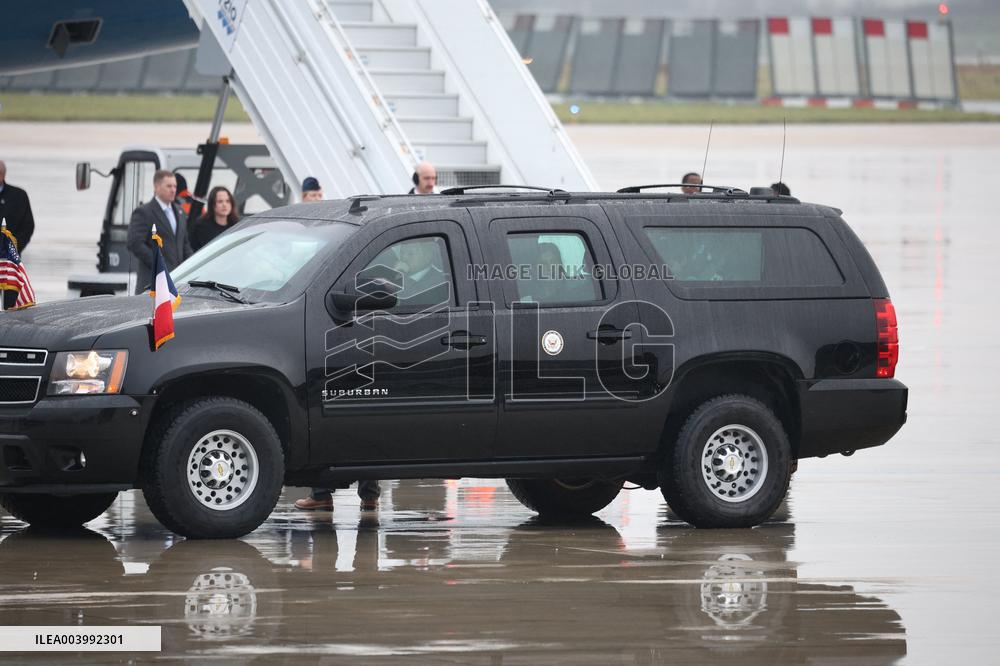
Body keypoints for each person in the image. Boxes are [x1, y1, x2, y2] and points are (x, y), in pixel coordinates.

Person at [294, 176, 381, 512]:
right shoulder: (323, 234)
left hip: (358, 333)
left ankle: (368, 494)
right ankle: (322, 494)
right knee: (328, 417)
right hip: (334, 331)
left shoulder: (347, 235)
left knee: (361, 418)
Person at [126, 170, 194, 294]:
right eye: (169, 186)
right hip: (152, 283)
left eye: (175, 186)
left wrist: (192, 265)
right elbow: (134, 243)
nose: (173, 190)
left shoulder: (180, 212)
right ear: (156, 187)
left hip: (177, 283)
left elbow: (184, 244)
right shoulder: (144, 212)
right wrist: (160, 265)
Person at [0, 160, 35, 253]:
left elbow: (28, 226)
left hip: (9, 258)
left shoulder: (18, 196)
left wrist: (14, 248)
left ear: (2, 175)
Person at [190, 186, 239, 251]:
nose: (224, 205)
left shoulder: (237, 225)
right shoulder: (201, 226)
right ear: (212, 205)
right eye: (220, 201)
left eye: (228, 201)